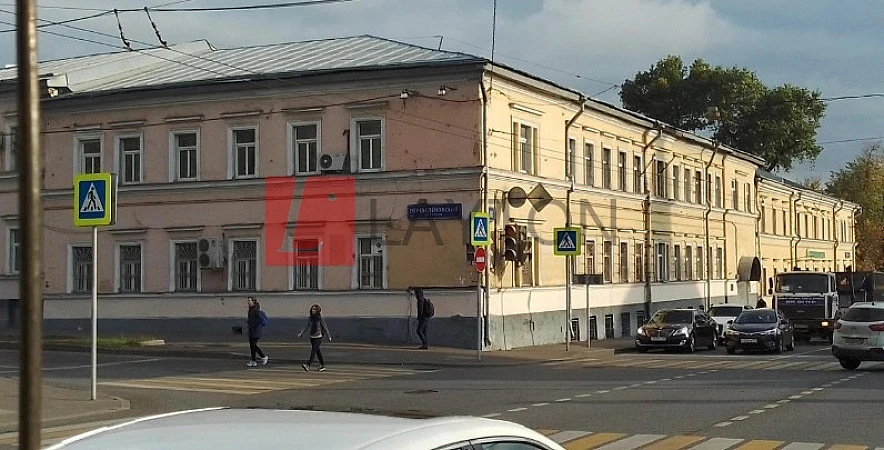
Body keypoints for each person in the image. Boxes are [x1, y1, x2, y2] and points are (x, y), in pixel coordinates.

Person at [299, 304, 330, 372]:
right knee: (317, 351)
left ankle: (308, 365)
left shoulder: (320, 318)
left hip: (318, 337)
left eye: (315, 309)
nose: (313, 310)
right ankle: (322, 365)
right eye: (312, 309)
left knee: (313, 351)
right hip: (312, 337)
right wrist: (301, 333)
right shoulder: (310, 319)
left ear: (318, 310)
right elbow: (307, 326)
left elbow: (325, 327)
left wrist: (328, 336)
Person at [246, 296, 269, 367]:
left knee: (253, 345)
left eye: (249, 300)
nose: (248, 302)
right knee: (252, 346)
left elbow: (260, 319)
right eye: (248, 301)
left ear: (253, 301)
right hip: (251, 330)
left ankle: (263, 356)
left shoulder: (256, 310)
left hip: (256, 330)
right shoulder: (251, 309)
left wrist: (256, 325)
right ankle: (253, 361)